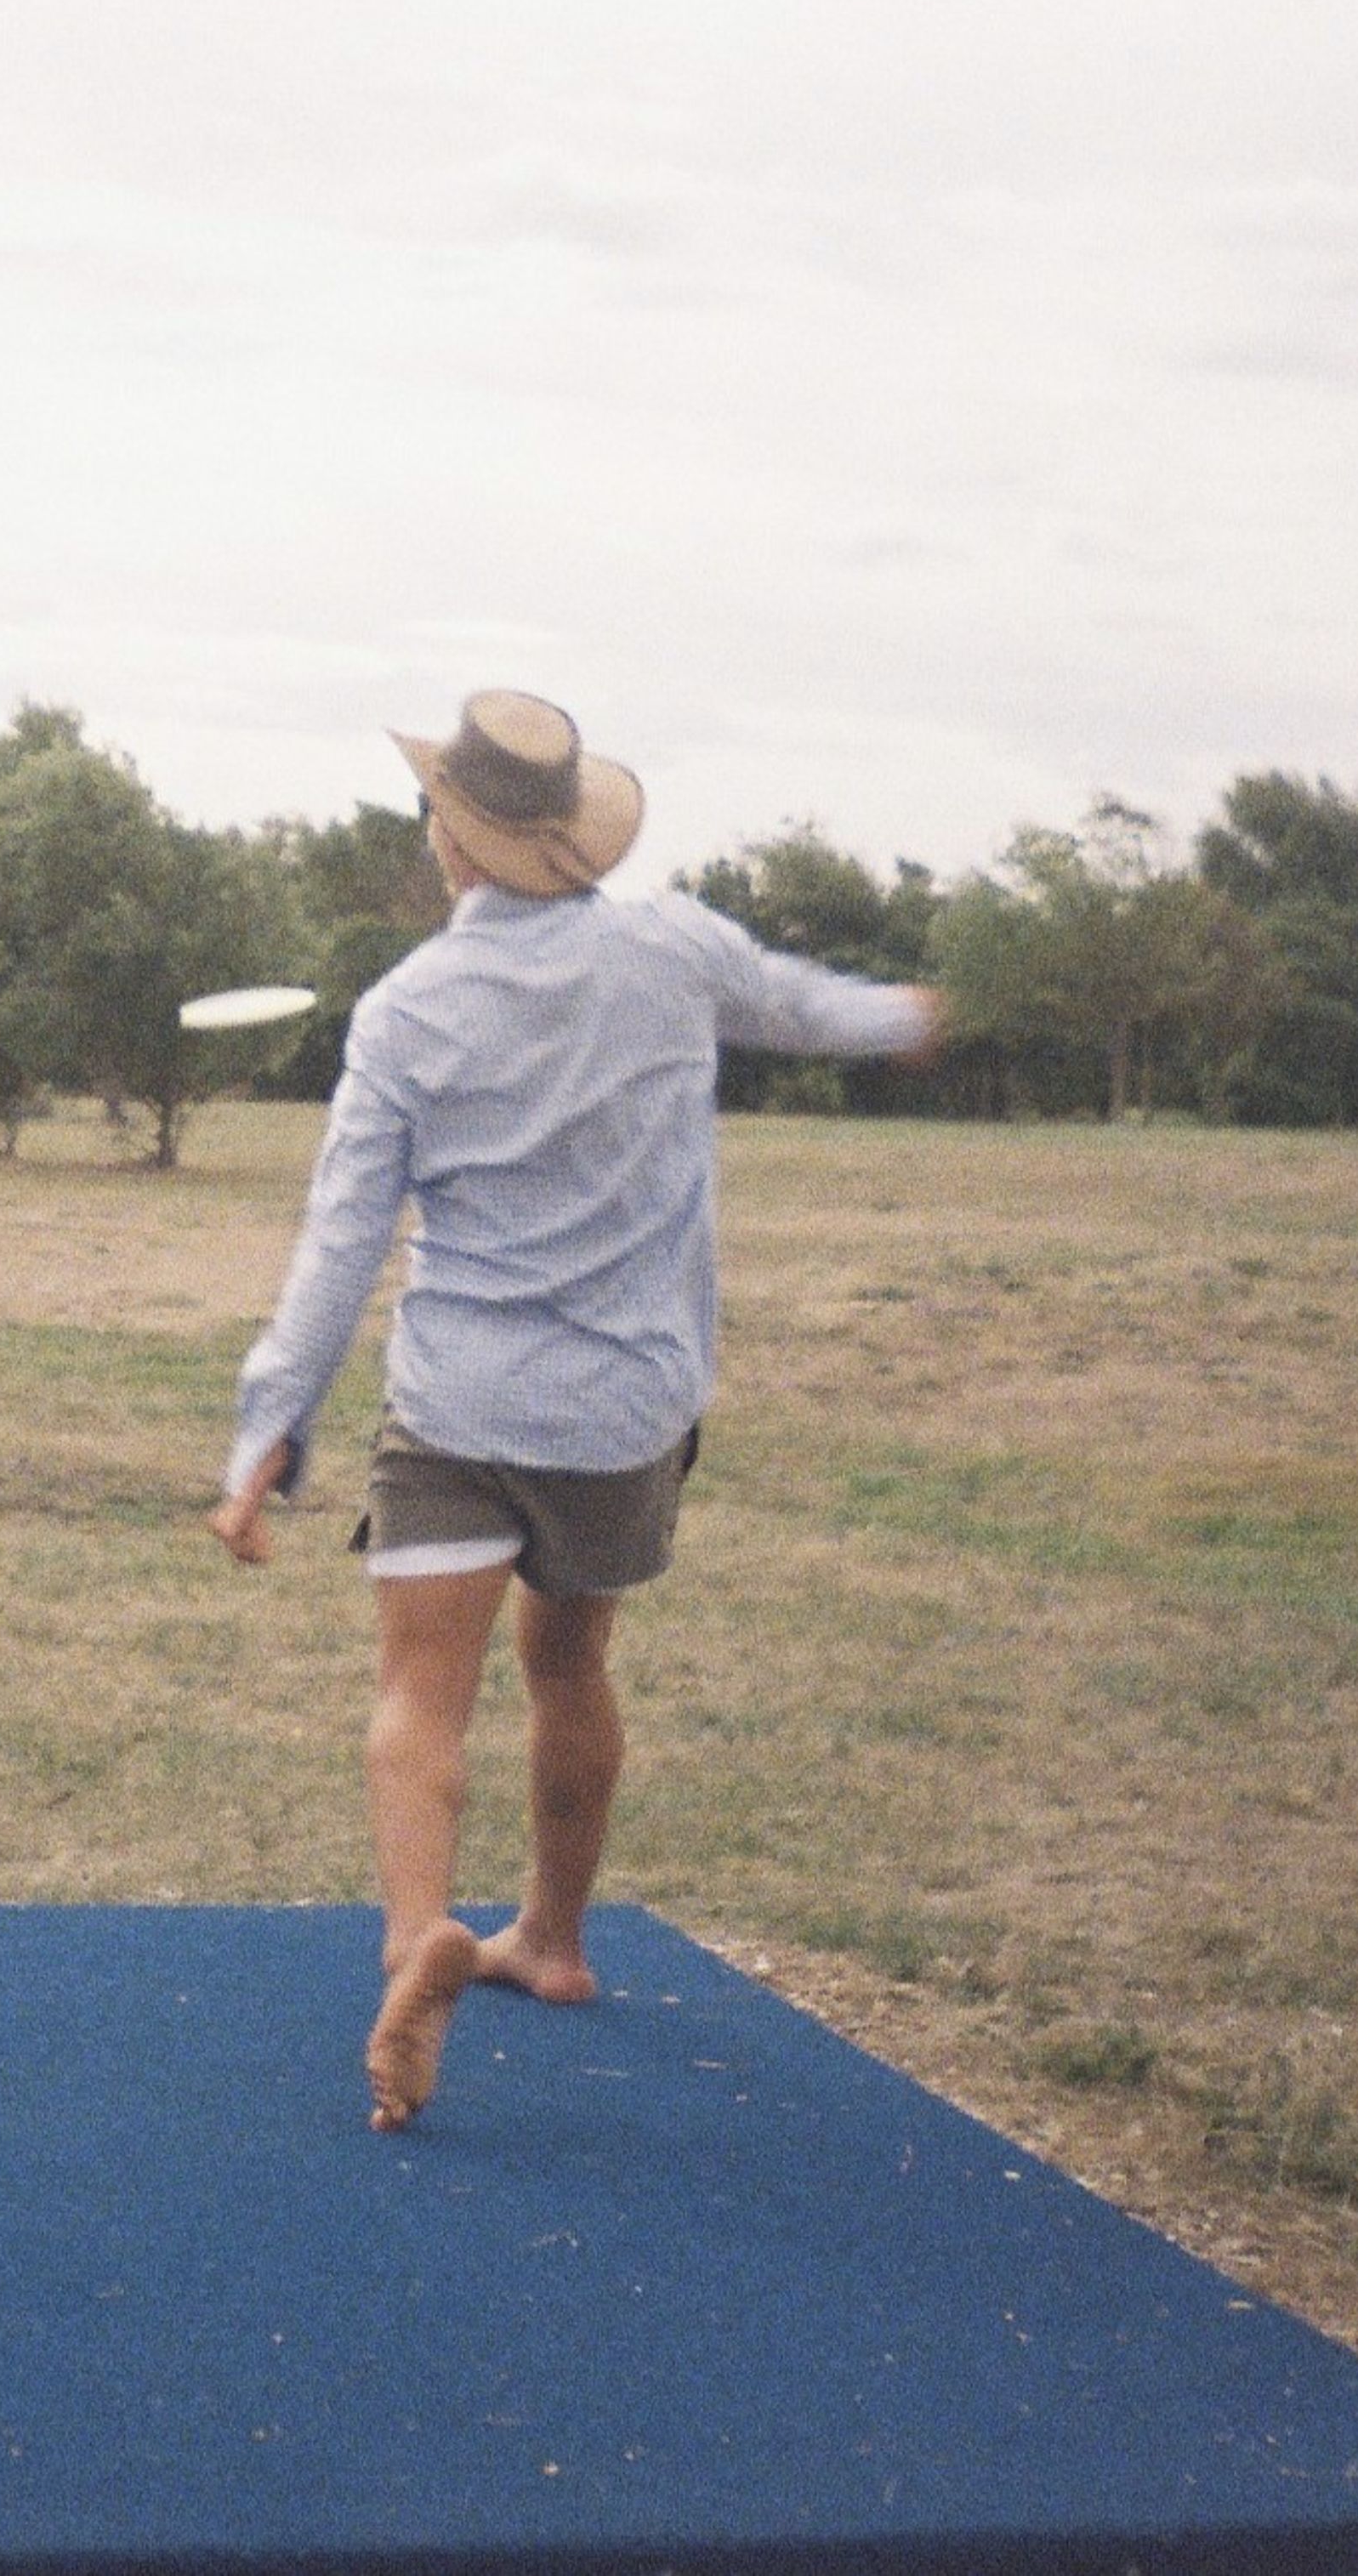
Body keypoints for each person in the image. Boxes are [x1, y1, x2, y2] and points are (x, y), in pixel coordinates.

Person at [211, 691, 943, 2130]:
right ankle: (547, 1941)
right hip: (620, 1410)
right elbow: (812, 1008)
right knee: (570, 1667)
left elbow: (339, 1245)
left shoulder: (407, 1011)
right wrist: (917, 1013)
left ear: (454, 842)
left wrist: (263, 1442)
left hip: (457, 1403)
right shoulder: (673, 951)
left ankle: (415, 1932)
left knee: (421, 1696)